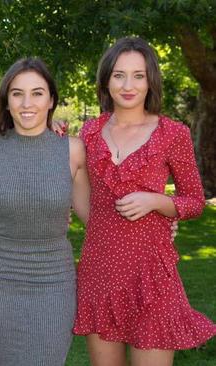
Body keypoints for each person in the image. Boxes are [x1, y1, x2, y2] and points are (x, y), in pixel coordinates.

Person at [73, 37, 216, 366]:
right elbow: (82, 199)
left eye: (138, 75)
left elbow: (194, 201)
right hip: (100, 273)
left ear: (151, 79)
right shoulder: (89, 133)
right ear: (106, 79)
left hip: (151, 275)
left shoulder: (172, 133)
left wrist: (156, 202)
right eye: (119, 75)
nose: (128, 85)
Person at [0, 58, 91, 366]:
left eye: (37, 93)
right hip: (3, 281)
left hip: (56, 283)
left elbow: (93, 216)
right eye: (17, 93)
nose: (27, 103)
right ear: (6, 101)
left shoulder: (72, 151)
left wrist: (156, 221)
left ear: (51, 100)